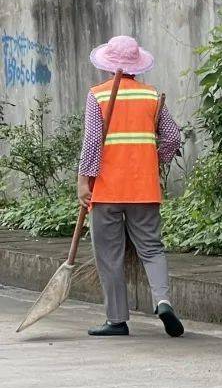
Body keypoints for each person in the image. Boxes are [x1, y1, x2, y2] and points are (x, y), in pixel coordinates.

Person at [77, 35, 185, 338]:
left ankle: (116, 320)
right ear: (137, 67)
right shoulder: (151, 96)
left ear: (109, 67)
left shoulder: (97, 95)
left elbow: (92, 143)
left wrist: (83, 180)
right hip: (144, 187)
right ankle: (163, 300)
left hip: (107, 189)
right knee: (152, 248)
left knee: (109, 255)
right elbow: (174, 138)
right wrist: (156, 159)